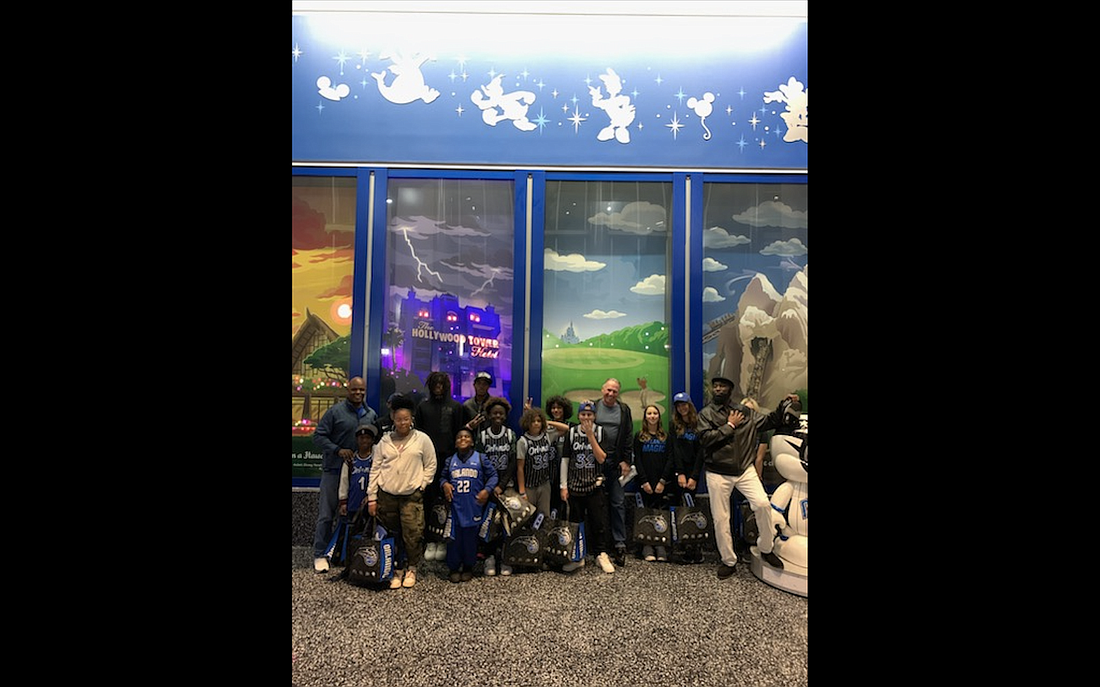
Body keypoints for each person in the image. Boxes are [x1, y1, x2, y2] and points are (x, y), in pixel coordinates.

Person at [698, 376, 800, 579]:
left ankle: (766, 547)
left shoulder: (744, 412)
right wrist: (729, 426)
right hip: (718, 472)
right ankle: (728, 561)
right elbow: (704, 439)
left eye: (722, 386)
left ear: (730, 389)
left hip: (745, 469)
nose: (718, 389)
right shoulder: (706, 414)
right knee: (721, 519)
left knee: (763, 504)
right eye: (715, 386)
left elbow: (770, 421)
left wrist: (785, 403)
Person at [367, 396, 437, 588]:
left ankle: (412, 568)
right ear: (393, 419)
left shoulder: (422, 439)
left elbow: (431, 464)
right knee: (392, 534)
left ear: (411, 419)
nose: (402, 422)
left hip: (411, 496)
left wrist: (422, 484)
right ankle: (395, 569)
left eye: (406, 419)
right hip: (387, 496)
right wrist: (372, 497)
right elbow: (375, 469)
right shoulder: (384, 441)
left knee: (412, 534)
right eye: (399, 419)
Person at [311, 376, 379, 573]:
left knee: (348, 517)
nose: (358, 393)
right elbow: (318, 436)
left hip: (360, 474)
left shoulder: (370, 414)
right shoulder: (335, 412)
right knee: (326, 516)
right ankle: (320, 554)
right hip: (334, 471)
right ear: (347, 390)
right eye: (354, 390)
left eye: (361, 390)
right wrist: (337, 450)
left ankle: (341, 553)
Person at [415, 371, 474, 563]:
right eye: (435, 384)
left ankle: (445, 540)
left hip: (450, 461)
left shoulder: (456, 407)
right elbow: (418, 436)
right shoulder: (423, 407)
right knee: (429, 501)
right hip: (428, 462)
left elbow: (460, 435)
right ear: (430, 386)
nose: (438, 387)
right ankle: (431, 540)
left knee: (449, 501)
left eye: (441, 384)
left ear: (446, 386)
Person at [560, 401, 615, 573]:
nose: (586, 418)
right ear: (578, 416)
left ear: (594, 416)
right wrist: (564, 486)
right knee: (576, 523)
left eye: (589, 415)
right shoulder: (571, 433)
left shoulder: (600, 432)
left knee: (598, 523)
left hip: (594, 485)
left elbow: (601, 458)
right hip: (575, 486)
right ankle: (578, 556)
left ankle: (601, 554)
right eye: (583, 415)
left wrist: (591, 436)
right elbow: (565, 460)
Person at [440, 427, 497, 583]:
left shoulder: (481, 458)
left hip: (473, 505)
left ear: (472, 442)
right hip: (455, 507)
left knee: (470, 539)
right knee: (454, 539)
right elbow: (442, 477)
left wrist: (487, 490)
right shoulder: (450, 460)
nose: (463, 439)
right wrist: (445, 484)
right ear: (456, 443)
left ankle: (468, 566)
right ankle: (453, 567)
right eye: (460, 437)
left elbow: (493, 475)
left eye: (466, 437)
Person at [593, 378, 634, 566]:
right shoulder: (593, 407)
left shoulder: (624, 410)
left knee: (617, 503)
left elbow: (627, 437)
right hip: (595, 464)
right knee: (596, 504)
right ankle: (598, 546)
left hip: (616, 464)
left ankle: (619, 544)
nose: (610, 394)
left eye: (614, 391)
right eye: (608, 390)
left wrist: (626, 461)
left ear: (619, 393)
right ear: (602, 389)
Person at [475, 395, 517, 576]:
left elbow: (513, 463)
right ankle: (489, 557)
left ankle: (506, 558)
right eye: (494, 413)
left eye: (501, 413)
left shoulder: (510, 435)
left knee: (507, 524)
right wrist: (491, 487)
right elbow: (479, 463)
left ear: (505, 415)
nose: (497, 416)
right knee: (490, 523)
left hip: (506, 486)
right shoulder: (482, 436)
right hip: (488, 487)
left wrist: (501, 485)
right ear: (489, 415)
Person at [633, 404, 674, 562]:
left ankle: (660, 545)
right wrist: (644, 481)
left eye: (655, 413)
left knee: (660, 513)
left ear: (659, 416)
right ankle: (647, 546)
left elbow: (670, 459)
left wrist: (662, 481)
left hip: (661, 483)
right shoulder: (639, 436)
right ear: (645, 417)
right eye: (649, 413)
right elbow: (637, 459)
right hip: (645, 483)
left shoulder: (666, 436)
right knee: (646, 513)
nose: (652, 416)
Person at [670, 392, 705, 564]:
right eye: (678, 405)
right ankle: (682, 546)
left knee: (692, 508)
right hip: (679, 473)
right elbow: (675, 450)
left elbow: (701, 452)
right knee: (679, 507)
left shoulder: (698, 423)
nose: (681, 407)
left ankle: (695, 546)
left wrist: (694, 476)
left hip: (693, 474)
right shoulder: (674, 424)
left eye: (684, 404)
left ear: (689, 405)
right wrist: (680, 473)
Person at [516, 405, 554, 518]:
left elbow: (565, 428)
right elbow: (520, 468)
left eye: (539, 421)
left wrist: (546, 422)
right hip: (529, 486)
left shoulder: (547, 436)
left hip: (544, 484)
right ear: (527, 423)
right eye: (533, 421)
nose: (536, 423)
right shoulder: (523, 441)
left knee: (544, 517)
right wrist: (522, 491)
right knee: (529, 517)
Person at [339, 422, 377, 520]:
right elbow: (344, 482)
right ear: (357, 440)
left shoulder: (376, 460)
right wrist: (343, 502)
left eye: (368, 438)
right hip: (353, 504)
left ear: (372, 440)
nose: (364, 441)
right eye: (362, 438)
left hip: (371, 505)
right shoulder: (350, 461)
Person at [543, 395, 573, 515]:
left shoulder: (571, 425)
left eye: (559, 408)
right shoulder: (545, 428)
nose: (556, 410)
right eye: (553, 408)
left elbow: (567, 429)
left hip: (566, 473)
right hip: (549, 472)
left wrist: (548, 421)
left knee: (563, 507)